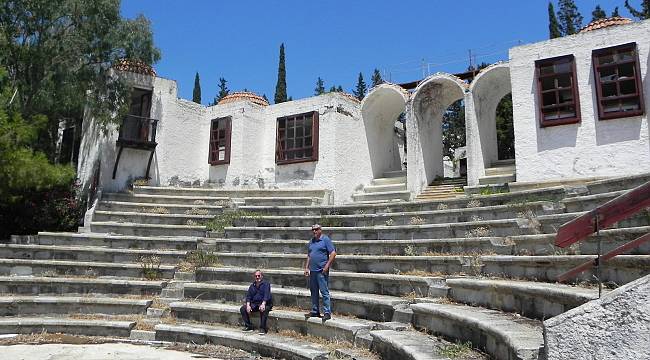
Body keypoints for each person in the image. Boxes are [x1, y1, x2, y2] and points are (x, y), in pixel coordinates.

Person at [304, 223, 336, 321]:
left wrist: (327, 266)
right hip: (313, 271)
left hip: (321, 270)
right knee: (313, 291)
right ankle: (315, 310)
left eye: (316, 229)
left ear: (320, 230)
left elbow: (333, 253)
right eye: (313, 229)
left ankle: (327, 312)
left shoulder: (325, 239)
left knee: (324, 291)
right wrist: (306, 268)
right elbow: (309, 255)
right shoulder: (311, 241)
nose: (314, 231)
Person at [240, 269, 272, 335]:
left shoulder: (266, 284)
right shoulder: (252, 286)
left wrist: (263, 304)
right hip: (255, 304)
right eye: (256, 276)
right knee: (243, 308)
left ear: (262, 276)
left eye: (259, 276)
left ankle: (262, 328)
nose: (257, 277)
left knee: (264, 309)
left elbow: (266, 295)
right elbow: (248, 297)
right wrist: (248, 305)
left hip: (265, 303)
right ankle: (249, 326)